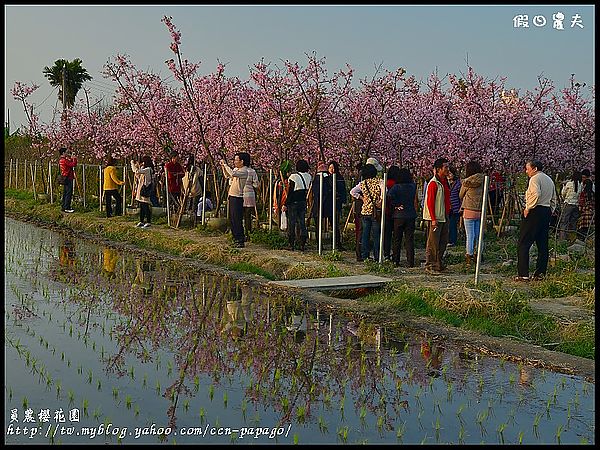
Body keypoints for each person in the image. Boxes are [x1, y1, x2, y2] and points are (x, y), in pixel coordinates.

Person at [514, 159, 557, 281]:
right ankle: (540, 273)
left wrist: (528, 207)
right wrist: (550, 210)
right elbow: (553, 198)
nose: (526, 171)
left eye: (527, 168)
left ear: (535, 169)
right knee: (542, 244)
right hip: (546, 211)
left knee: (523, 242)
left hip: (535, 211)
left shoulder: (535, 179)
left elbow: (536, 194)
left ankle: (523, 274)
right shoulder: (549, 179)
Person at [350, 163, 384, 262]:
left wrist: (361, 197)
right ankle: (377, 256)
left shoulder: (363, 183)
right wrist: (380, 201)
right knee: (376, 235)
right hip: (375, 212)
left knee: (365, 234)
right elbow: (384, 191)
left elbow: (352, 191)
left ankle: (365, 255)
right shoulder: (379, 182)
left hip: (365, 211)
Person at [422, 158, 451, 273]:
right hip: (436, 217)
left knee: (442, 242)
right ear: (439, 169)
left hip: (444, 215)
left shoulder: (444, 182)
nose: (448, 169)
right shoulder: (434, 183)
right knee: (433, 243)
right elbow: (430, 202)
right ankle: (431, 265)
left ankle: (438, 263)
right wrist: (433, 219)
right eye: (446, 167)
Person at [387, 167, 417, 267]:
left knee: (397, 239)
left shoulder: (396, 187)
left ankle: (396, 260)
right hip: (410, 214)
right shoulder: (413, 186)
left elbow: (389, 196)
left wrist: (396, 205)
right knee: (409, 239)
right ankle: (410, 261)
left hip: (398, 215)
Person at [221, 152, 250, 248]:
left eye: (236, 160)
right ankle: (235, 237)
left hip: (238, 197)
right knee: (232, 218)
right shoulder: (237, 170)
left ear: (242, 161)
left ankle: (240, 239)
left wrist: (225, 164)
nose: (234, 162)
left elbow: (232, 173)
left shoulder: (244, 171)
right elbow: (228, 176)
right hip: (232, 196)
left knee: (237, 219)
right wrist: (223, 167)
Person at [459, 161, 485, 267]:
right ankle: (478, 254)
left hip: (468, 211)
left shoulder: (467, 182)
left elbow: (460, 195)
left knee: (470, 235)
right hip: (479, 211)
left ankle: (469, 256)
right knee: (479, 235)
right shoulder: (484, 180)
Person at [282, 159, 311, 251]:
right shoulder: (309, 176)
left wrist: (285, 204)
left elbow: (290, 192)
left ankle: (291, 244)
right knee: (302, 223)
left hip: (294, 202)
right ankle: (302, 244)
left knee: (292, 223)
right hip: (303, 201)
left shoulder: (293, 176)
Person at [326, 160, 347, 250]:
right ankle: (333, 242)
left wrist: (342, 201)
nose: (332, 169)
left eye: (333, 167)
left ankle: (337, 243)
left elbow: (343, 191)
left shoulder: (339, 178)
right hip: (328, 203)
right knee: (332, 223)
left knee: (335, 223)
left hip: (336, 203)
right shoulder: (326, 178)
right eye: (330, 167)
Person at [131, 156, 154, 228]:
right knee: (142, 205)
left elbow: (137, 171)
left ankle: (148, 221)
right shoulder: (145, 169)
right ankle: (141, 221)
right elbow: (138, 175)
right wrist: (137, 166)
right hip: (141, 189)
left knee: (145, 205)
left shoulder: (148, 169)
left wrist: (132, 164)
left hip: (145, 190)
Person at [559, 170, 583, 241]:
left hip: (568, 204)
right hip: (576, 205)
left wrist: (564, 198)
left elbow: (563, 193)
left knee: (564, 221)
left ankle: (562, 238)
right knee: (573, 222)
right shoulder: (580, 185)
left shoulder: (569, 184)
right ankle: (572, 238)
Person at [383, 165, 401, 260]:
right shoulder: (397, 185)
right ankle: (395, 254)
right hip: (396, 212)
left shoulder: (385, 183)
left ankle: (386, 253)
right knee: (396, 236)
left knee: (387, 234)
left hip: (386, 211)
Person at [311, 162, 332, 236]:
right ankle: (337, 243)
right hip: (327, 205)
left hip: (318, 205)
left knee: (318, 226)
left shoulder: (315, 179)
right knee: (333, 224)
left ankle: (319, 244)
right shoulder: (327, 178)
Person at [243, 158, 259, 240]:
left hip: (239, 194)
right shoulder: (252, 171)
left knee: (239, 215)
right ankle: (248, 233)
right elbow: (256, 184)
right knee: (247, 216)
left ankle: (240, 233)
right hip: (250, 195)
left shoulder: (237, 171)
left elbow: (230, 182)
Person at [273, 160, 292, 229]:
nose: (290, 173)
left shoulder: (289, 181)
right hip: (281, 203)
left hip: (287, 203)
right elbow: (277, 195)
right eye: (289, 171)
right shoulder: (280, 183)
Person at [58, 147, 77, 213]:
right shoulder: (64, 160)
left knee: (65, 192)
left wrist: (71, 158)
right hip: (68, 177)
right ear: (63, 153)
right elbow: (73, 164)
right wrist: (74, 158)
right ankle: (67, 207)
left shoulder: (61, 160)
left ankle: (64, 206)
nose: (67, 153)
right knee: (69, 192)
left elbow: (69, 164)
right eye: (66, 152)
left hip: (65, 177)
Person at [447, 166, 462, 247]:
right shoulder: (447, 183)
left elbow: (461, 196)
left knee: (452, 225)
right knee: (449, 224)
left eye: (450, 173)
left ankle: (453, 241)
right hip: (448, 207)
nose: (449, 175)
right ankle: (449, 240)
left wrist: (461, 207)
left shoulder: (458, 183)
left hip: (455, 208)